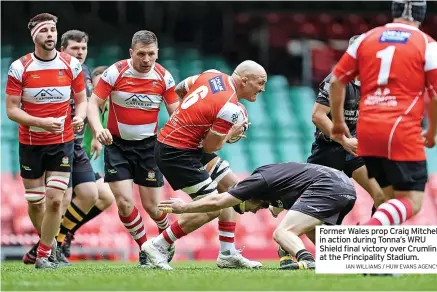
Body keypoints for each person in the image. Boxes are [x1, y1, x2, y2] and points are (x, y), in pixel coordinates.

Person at [142, 61, 267, 270]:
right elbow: (211, 145)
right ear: (244, 80)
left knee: (232, 190)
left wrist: (190, 115)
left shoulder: (212, 75)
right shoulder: (230, 108)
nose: (262, 88)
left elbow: (182, 87)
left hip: (185, 145)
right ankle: (159, 245)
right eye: (260, 82)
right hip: (176, 153)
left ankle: (227, 253)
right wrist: (231, 134)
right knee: (213, 206)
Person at [275, 36, 386, 269]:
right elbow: (317, 115)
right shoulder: (337, 80)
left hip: (354, 149)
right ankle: (286, 244)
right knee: (302, 196)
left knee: (382, 196)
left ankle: (375, 248)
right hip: (329, 150)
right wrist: (343, 140)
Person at [329, 0, 437, 226]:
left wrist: (339, 123)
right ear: (421, 14)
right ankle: (366, 237)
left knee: (389, 200)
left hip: (368, 131)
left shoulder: (365, 39)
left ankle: (378, 258)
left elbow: (335, 82)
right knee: (412, 201)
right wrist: (431, 132)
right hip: (402, 129)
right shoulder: (427, 44)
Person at [87, 30, 179, 268]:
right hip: (116, 145)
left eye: (151, 54)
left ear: (157, 53)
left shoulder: (164, 77)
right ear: (131, 53)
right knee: (125, 203)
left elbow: (177, 115)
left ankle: (165, 232)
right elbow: (93, 104)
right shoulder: (115, 72)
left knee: (152, 207)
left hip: (149, 147)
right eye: (141, 54)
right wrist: (98, 130)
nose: (146, 59)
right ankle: (146, 249)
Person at [158, 162, 357, 270]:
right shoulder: (272, 188)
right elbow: (276, 208)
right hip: (345, 187)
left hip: (328, 186)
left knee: (282, 232)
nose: (252, 211)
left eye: (245, 207)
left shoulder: (255, 182)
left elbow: (217, 202)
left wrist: (184, 208)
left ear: (246, 195)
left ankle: (308, 260)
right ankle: (362, 257)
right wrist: (285, 253)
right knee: (315, 234)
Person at [6, 13, 87, 269]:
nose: (50, 34)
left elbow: (82, 100)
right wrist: (41, 122)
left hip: (62, 141)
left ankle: (43, 254)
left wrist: (80, 117)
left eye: (53, 30)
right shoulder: (20, 67)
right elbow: (11, 110)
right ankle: (49, 244)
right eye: (45, 31)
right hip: (30, 143)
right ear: (35, 36)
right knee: (36, 202)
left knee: (55, 199)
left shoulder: (71, 65)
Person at [60, 66, 115, 259]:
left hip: (82, 162)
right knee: (69, 200)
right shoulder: (84, 106)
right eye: (98, 84)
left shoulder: (110, 109)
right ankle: (54, 241)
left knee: (106, 196)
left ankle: (66, 232)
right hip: (66, 157)